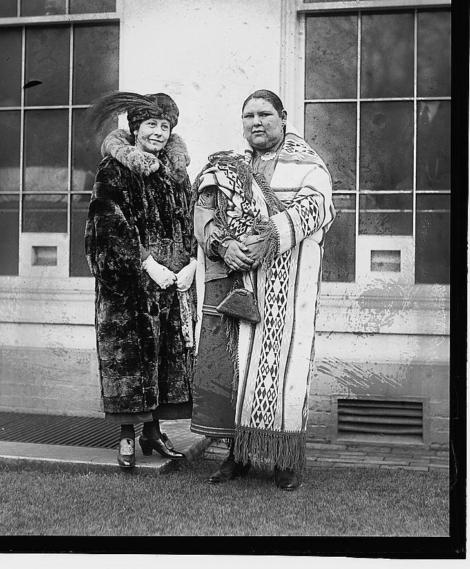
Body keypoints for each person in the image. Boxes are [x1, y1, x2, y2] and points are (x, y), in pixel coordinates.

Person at [190, 89, 334, 490]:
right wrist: (224, 246)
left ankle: (285, 462)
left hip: (286, 290)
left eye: (265, 114)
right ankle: (236, 457)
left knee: (283, 374)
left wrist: (266, 237)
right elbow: (204, 214)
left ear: (283, 118)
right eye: (249, 115)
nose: (257, 122)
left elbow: (316, 208)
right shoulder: (230, 168)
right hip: (237, 287)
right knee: (239, 375)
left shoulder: (308, 166)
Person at [85, 92, 197, 470]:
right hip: (129, 290)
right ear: (135, 129)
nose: (159, 133)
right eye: (151, 125)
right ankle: (127, 436)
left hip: (170, 289)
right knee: (130, 361)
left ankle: (153, 433)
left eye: (165, 126)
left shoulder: (178, 175)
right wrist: (147, 264)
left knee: (163, 361)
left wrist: (191, 264)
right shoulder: (113, 171)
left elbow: (191, 222)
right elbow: (107, 228)